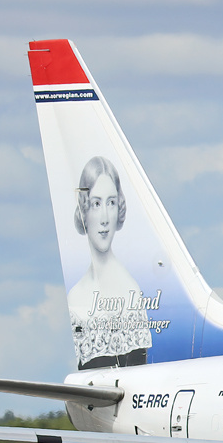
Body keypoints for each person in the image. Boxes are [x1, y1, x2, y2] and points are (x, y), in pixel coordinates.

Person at [65, 156, 153, 369]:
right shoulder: (75, 295)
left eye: (111, 203)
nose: (104, 217)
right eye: (96, 204)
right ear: (84, 210)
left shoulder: (130, 292)